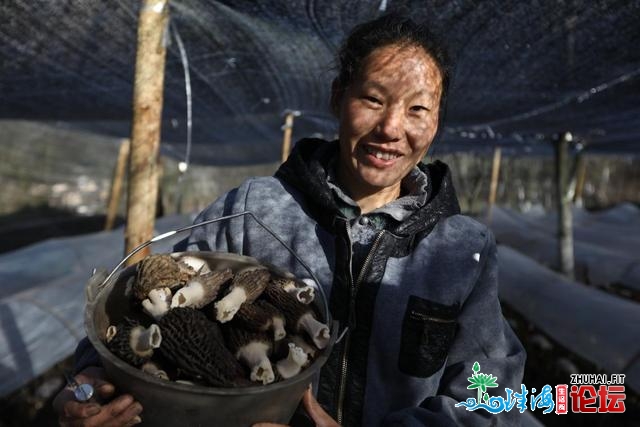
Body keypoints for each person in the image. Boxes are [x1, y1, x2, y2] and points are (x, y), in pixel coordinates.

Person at [54, 13, 525, 426]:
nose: (391, 129)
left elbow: (493, 398)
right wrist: (90, 382)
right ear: (339, 97)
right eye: (374, 100)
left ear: (437, 121)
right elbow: (135, 308)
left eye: (417, 109)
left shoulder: (463, 251)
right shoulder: (254, 211)